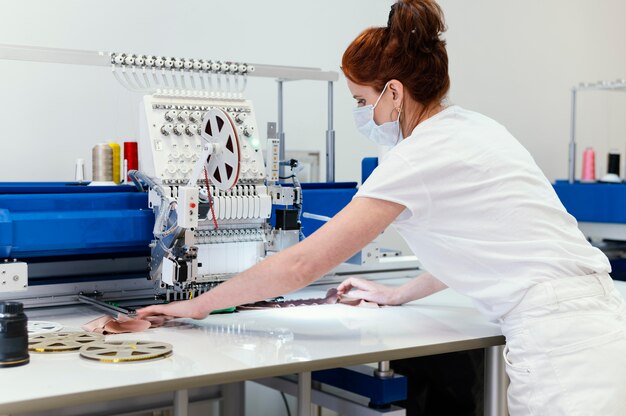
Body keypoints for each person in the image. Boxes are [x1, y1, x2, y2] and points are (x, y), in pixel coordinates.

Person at [138, 0, 626, 414]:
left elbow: (303, 263)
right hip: (601, 319)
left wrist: (197, 306)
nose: (359, 113)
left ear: (393, 92)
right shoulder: (475, 128)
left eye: (359, 99)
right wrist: (401, 294)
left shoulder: (417, 156)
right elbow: (486, 238)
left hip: (564, 350)